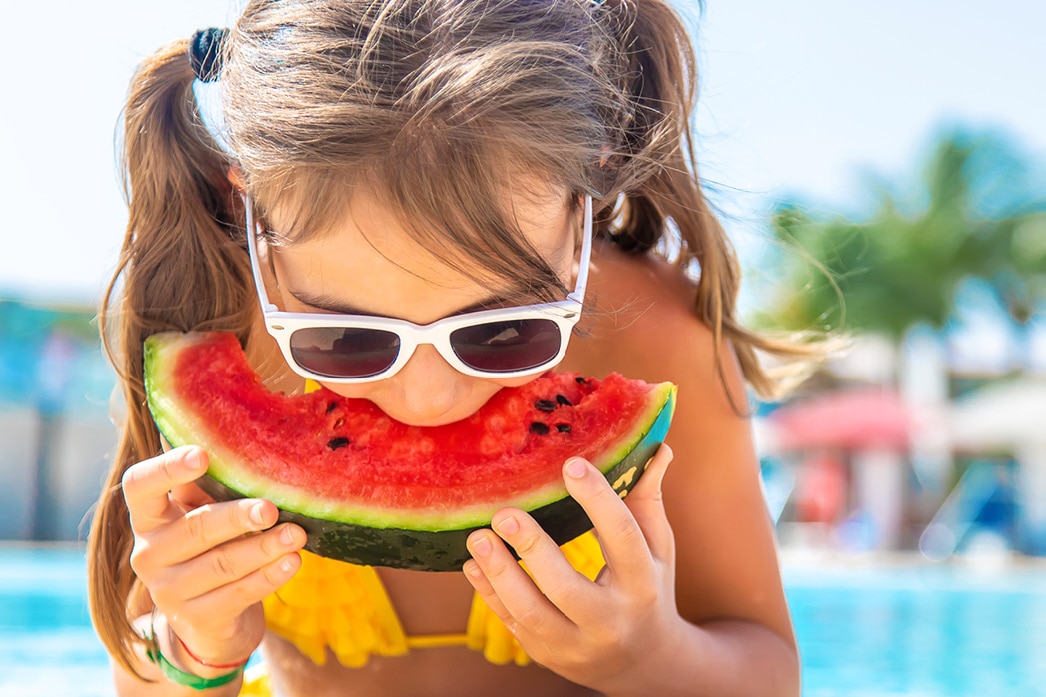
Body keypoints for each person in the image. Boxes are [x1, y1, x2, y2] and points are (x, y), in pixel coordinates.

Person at [87, 1, 821, 695]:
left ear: (582, 196)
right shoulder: (221, 331)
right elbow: (142, 670)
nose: (429, 397)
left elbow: (769, 669)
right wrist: (197, 651)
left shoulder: (658, 340)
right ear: (253, 215)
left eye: (504, 331)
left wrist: (652, 654)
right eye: (346, 339)